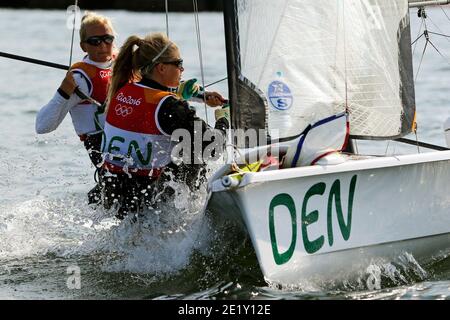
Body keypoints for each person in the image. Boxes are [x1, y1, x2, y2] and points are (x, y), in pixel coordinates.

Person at [101, 32, 229, 219]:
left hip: (113, 195)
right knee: (192, 150)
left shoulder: (121, 89)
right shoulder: (168, 106)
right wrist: (223, 119)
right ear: (161, 68)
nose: (182, 69)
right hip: (148, 203)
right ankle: (195, 214)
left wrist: (197, 94)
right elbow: (214, 147)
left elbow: (149, 100)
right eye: (178, 64)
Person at [35, 11, 116, 203]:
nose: (103, 46)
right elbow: (42, 127)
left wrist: (199, 95)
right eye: (95, 41)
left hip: (132, 138)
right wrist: (63, 91)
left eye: (108, 39)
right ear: (84, 46)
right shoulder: (80, 79)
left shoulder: (122, 63)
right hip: (102, 145)